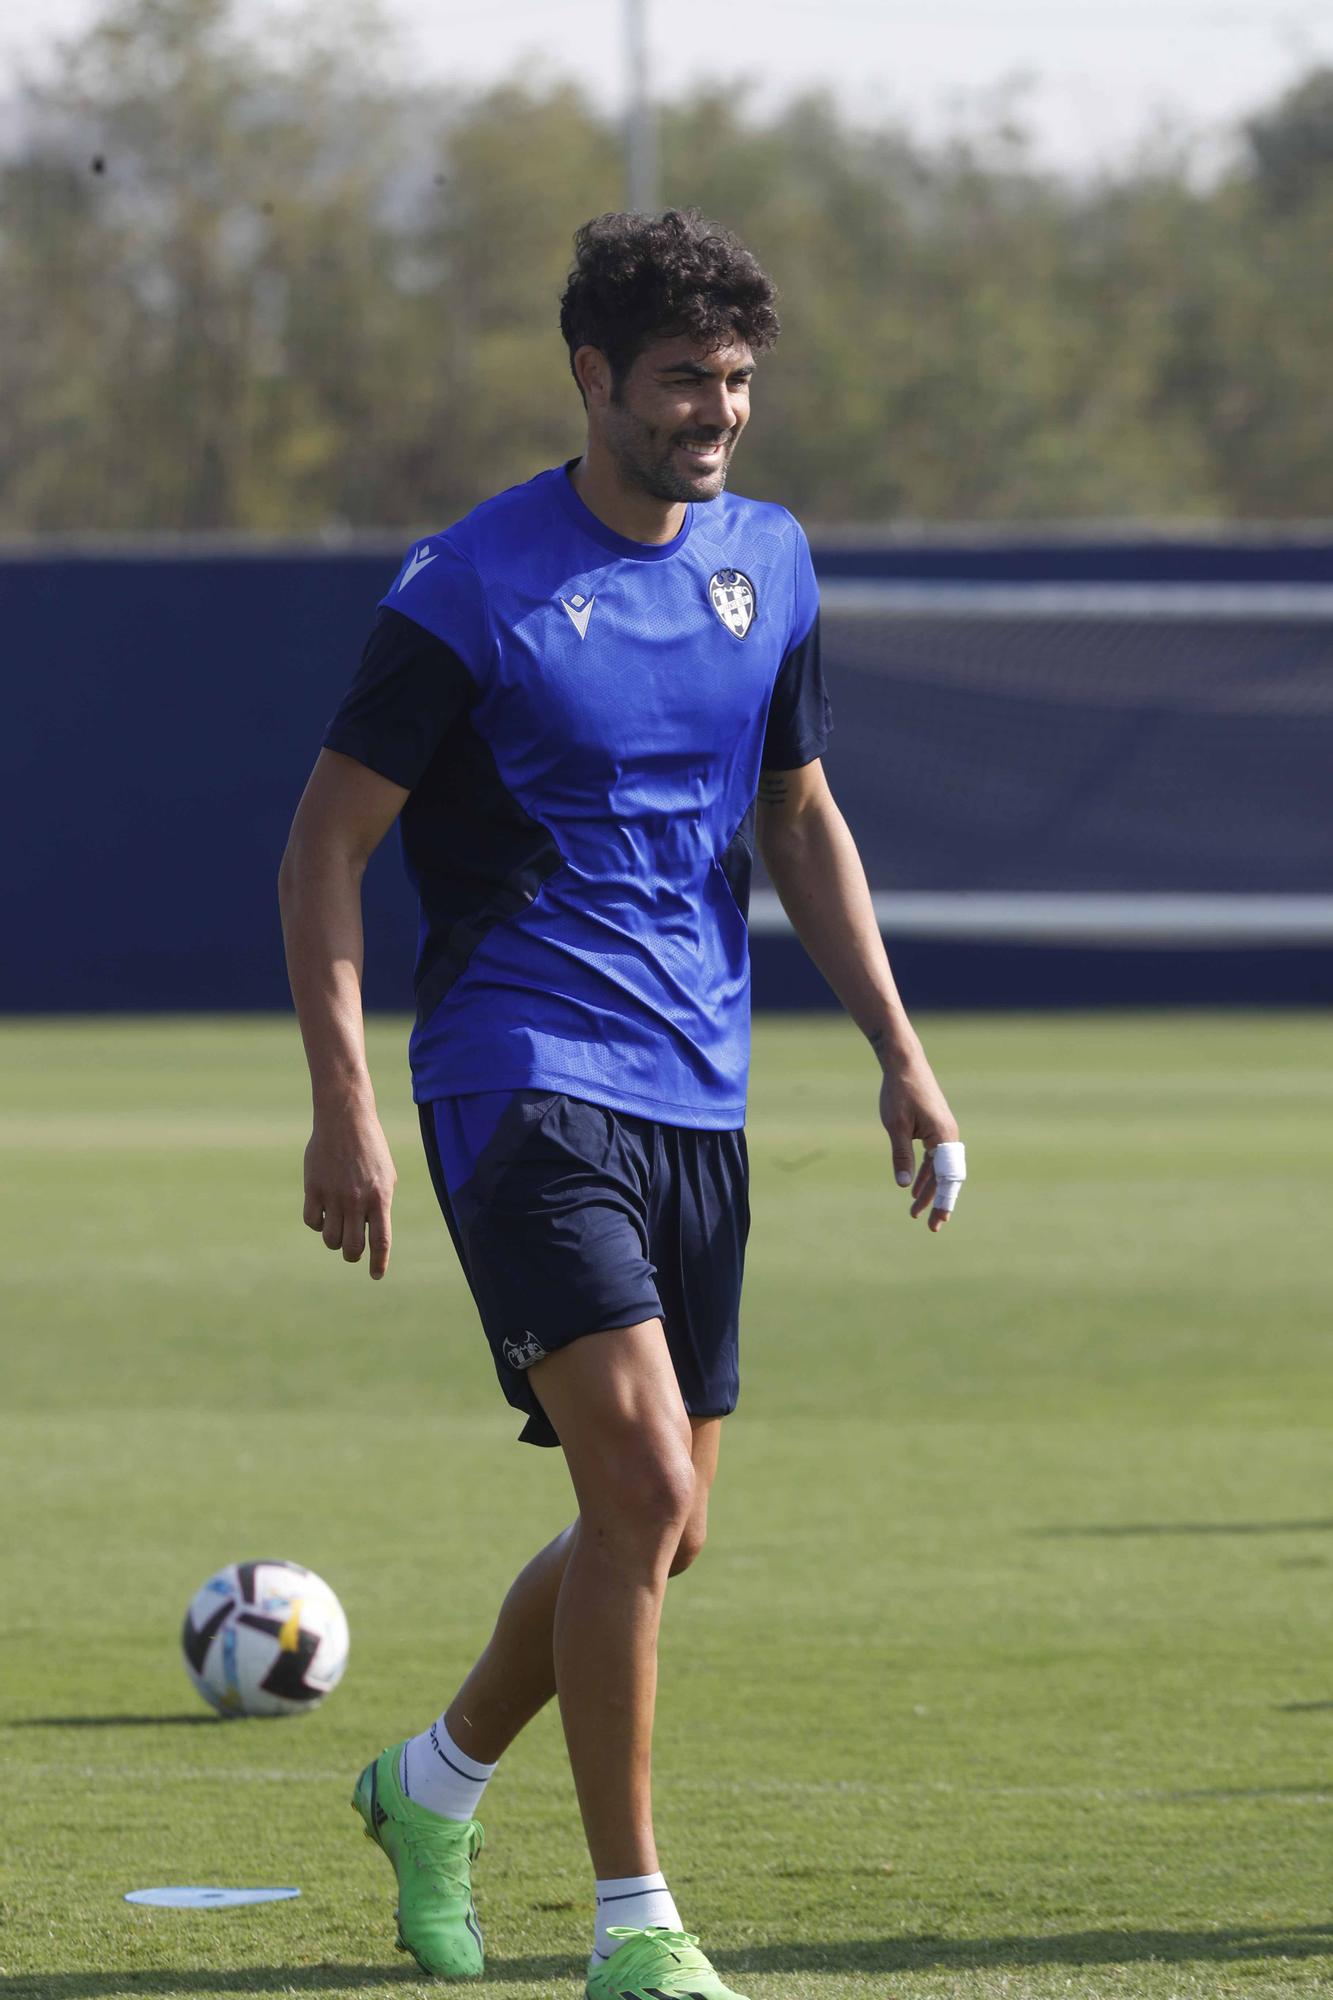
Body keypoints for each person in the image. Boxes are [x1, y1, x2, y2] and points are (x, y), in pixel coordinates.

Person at [278, 208, 965, 2000]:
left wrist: (896, 1052)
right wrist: (343, 1104)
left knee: (653, 1526)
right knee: (646, 1478)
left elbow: (797, 817)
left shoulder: (770, 563)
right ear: (593, 378)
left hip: (697, 1093)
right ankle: (632, 1925)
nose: (714, 415)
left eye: (736, 382)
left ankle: (426, 1787)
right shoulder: (467, 588)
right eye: (681, 381)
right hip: (515, 1078)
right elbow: (325, 846)